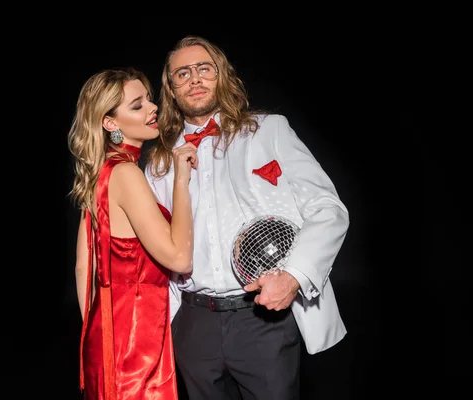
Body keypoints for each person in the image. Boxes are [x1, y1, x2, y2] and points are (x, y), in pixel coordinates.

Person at [144, 35, 350, 399]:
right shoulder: (159, 163)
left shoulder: (269, 131)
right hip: (192, 323)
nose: (195, 78)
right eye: (182, 73)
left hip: (261, 318)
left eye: (204, 68)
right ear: (171, 90)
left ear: (221, 76)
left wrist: (294, 277)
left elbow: (328, 210)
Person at [67, 67, 199, 400]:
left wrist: (105, 332)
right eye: (137, 105)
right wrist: (182, 181)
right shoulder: (126, 173)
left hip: (109, 337)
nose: (153, 108)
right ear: (110, 123)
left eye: (149, 100)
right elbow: (180, 258)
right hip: (137, 342)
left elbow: (85, 269)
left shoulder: (102, 172)